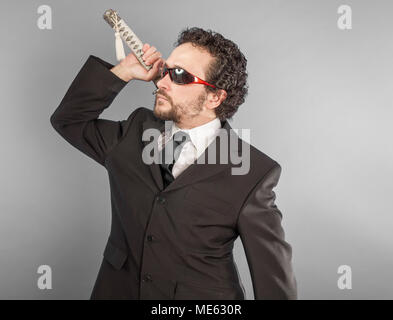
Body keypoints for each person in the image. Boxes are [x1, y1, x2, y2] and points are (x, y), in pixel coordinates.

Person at [50, 27, 297, 300]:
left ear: (215, 97)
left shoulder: (253, 172)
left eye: (180, 75)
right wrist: (124, 71)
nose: (162, 82)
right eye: (166, 70)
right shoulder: (135, 131)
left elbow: (274, 282)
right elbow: (68, 121)